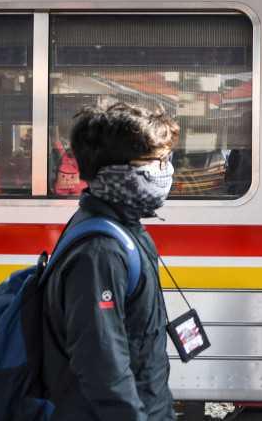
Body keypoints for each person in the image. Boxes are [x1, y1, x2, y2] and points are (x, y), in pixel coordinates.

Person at [41, 101, 178, 420]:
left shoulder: (120, 227)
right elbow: (102, 367)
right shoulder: (101, 250)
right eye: (157, 161)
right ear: (122, 172)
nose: (166, 170)